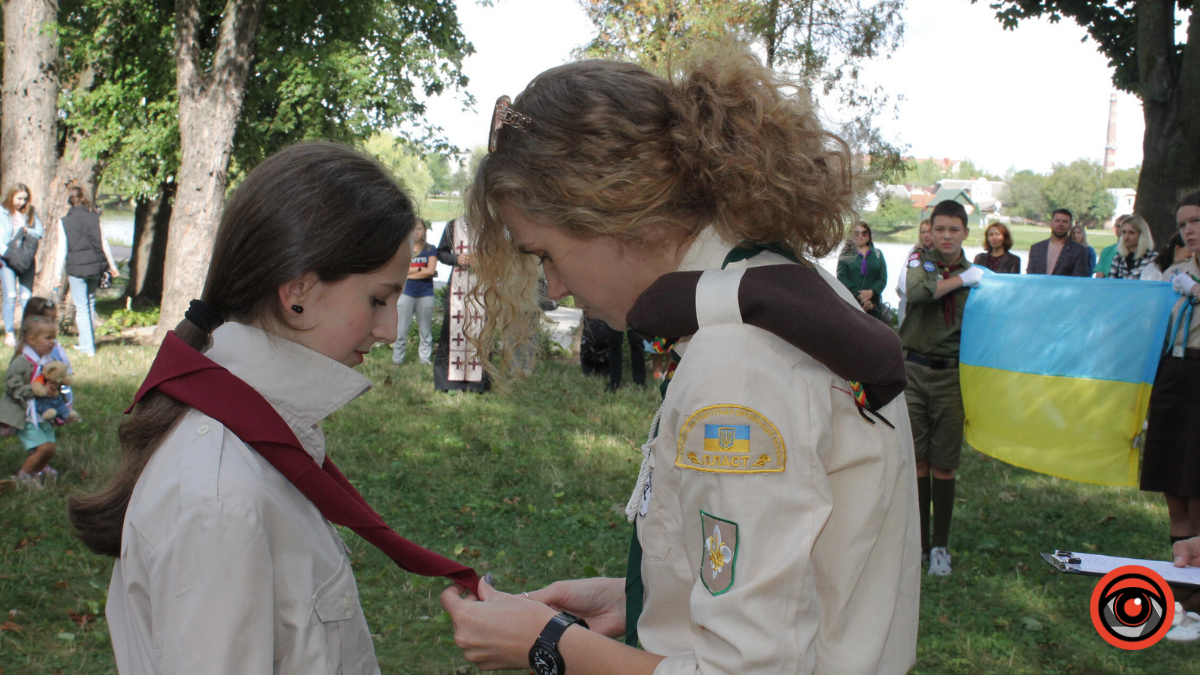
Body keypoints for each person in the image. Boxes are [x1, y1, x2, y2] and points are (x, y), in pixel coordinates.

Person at [440, 50, 919, 675]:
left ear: (612, 216)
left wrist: (551, 646)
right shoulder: (775, 291)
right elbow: (791, 570)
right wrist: (638, 597)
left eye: (546, 254)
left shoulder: (738, 359)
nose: (553, 288)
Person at [66, 143, 422, 673]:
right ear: (298, 291)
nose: (391, 329)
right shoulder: (222, 499)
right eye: (378, 299)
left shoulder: (254, 441)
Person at [899, 199, 984, 577]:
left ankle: (940, 547)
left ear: (966, 232)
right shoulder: (921, 260)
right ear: (930, 231)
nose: (946, 236)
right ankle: (917, 543)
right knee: (916, 461)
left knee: (944, 466)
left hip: (952, 376)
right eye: (940, 229)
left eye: (954, 229)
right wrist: (961, 282)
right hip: (914, 371)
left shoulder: (979, 272)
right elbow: (918, 294)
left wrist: (973, 278)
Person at [1140, 191, 1200, 602]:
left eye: (1195, 221)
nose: (1189, 230)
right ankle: (1181, 588)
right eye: (1182, 225)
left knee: (1196, 483)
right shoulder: (1174, 272)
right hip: (1173, 379)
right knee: (1172, 484)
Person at [52, 187, 120, 357]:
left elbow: (62, 249)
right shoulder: (94, 218)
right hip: (95, 266)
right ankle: (86, 343)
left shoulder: (64, 221)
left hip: (76, 268)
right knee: (90, 303)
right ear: (85, 200)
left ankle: (88, 348)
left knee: (81, 307)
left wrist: (56, 275)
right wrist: (112, 266)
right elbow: (104, 243)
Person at [2, 316, 62, 488]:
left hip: (42, 413)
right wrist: (39, 390)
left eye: (53, 337)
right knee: (43, 448)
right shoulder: (21, 362)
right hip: (25, 414)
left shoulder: (47, 361)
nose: (53, 342)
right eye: (48, 338)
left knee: (49, 448)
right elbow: (13, 388)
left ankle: (40, 469)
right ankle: (22, 478)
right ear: (31, 340)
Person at [433, 216, 490, 392]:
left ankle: (477, 384)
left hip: (481, 285)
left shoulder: (489, 225)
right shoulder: (453, 225)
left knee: (480, 333)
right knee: (452, 331)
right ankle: (449, 383)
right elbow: (441, 252)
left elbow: (500, 253)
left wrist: (484, 260)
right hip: (457, 287)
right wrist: (456, 259)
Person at [0, 184, 45, 346]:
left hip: (26, 259)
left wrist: (26, 230)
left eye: (25, 198)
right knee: (11, 295)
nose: (22, 202)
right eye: (19, 198)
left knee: (26, 297)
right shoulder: (2, 212)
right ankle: (9, 332)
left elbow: (40, 232)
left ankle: (25, 333)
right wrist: (5, 253)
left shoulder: (31, 212)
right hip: (8, 259)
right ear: (11, 197)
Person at [393, 218, 437, 365]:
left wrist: (410, 272)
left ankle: (425, 360)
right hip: (406, 293)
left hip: (425, 293)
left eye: (419, 229)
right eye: (414, 229)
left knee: (425, 330)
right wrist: (420, 270)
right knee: (401, 330)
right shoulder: (404, 249)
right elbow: (399, 270)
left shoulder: (430, 249)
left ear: (424, 231)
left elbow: (430, 271)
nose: (416, 232)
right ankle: (397, 360)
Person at [836, 221, 888, 320]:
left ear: (869, 235)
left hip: (874, 304)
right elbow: (841, 277)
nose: (860, 236)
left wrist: (872, 292)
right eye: (856, 233)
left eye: (864, 233)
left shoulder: (877, 254)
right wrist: (861, 296)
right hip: (851, 302)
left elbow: (882, 278)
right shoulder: (845, 255)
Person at [1026, 209, 1091, 276]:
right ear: (1051, 223)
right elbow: (1030, 277)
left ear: (1070, 225)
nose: (1060, 224)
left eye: (1065, 222)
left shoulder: (1079, 251)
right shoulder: (1036, 249)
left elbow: (1078, 279)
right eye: (1057, 221)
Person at [896, 219, 932, 324]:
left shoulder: (939, 254)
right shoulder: (914, 251)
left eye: (929, 231)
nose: (926, 235)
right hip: (908, 294)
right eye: (923, 232)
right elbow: (903, 274)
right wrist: (910, 291)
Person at [1108, 214, 1157, 279]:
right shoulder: (1118, 259)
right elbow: (1112, 283)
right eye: (1124, 232)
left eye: (1131, 233)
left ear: (1141, 234)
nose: (1126, 237)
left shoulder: (1153, 258)